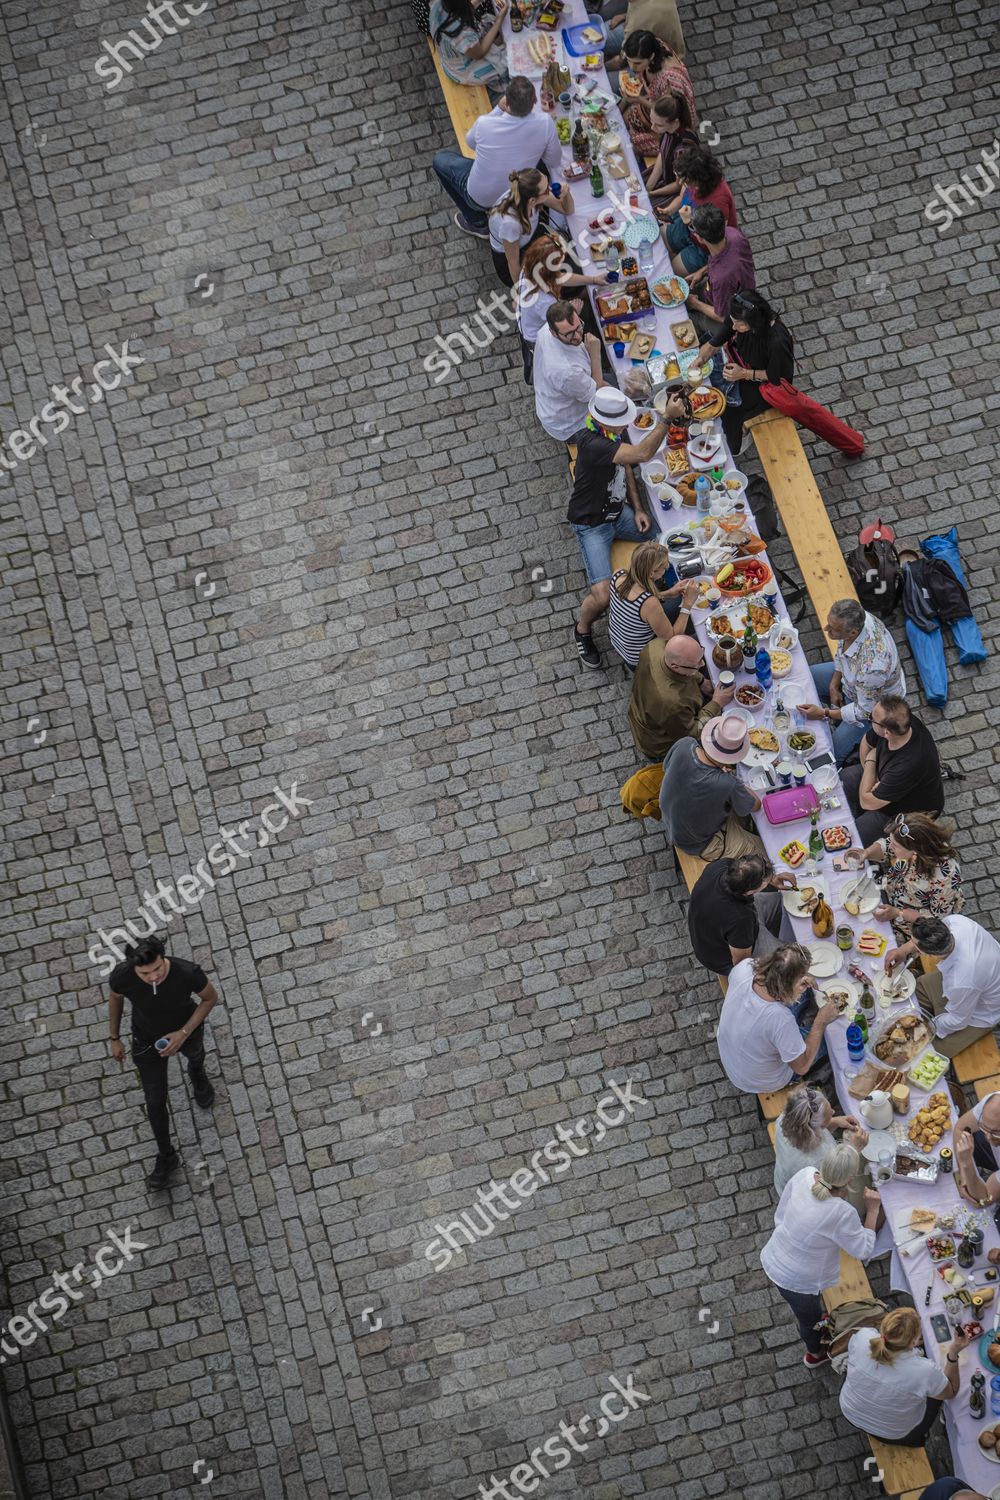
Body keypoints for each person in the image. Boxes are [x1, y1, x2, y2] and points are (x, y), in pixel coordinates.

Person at [567, 386, 689, 668]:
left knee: (665, 537)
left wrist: (638, 508)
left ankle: (667, 586)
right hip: (592, 525)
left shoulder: (608, 433)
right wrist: (667, 420)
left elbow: (626, 468)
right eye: (622, 419)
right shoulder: (593, 443)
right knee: (603, 594)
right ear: (605, 421)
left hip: (617, 514)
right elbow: (643, 453)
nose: (626, 423)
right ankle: (582, 629)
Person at [107, 936, 219, 1189]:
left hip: (186, 1031)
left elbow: (210, 999)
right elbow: (115, 998)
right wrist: (114, 1037)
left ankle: (197, 1074)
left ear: (163, 957)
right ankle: (166, 1156)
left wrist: (183, 1033)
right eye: (145, 973)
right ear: (134, 968)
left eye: (157, 969)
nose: (153, 977)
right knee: (154, 1101)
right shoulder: (123, 976)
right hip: (146, 1041)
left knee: (195, 1055)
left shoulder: (187, 973)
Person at [760, 1144, 880, 1366]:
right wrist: (872, 1211)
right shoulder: (842, 1212)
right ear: (851, 1179)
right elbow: (863, 1249)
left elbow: (782, 1213)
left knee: (808, 1312)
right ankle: (814, 1354)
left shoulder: (804, 1175)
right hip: (797, 1280)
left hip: (775, 1253)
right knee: (808, 1318)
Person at [434, 77, 561, 240]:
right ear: (534, 101)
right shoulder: (545, 123)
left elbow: (470, 144)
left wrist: (497, 110)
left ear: (506, 101)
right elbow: (554, 161)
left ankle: (477, 222)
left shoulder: (484, 124)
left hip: (481, 198)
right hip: (520, 195)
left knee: (440, 159)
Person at [716, 944, 839, 1095]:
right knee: (833, 1036)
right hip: (761, 1080)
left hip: (735, 1055)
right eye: (802, 976)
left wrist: (796, 982)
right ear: (787, 985)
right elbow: (801, 1066)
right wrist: (820, 1023)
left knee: (806, 994)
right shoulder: (780, 1019)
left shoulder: (745, 968)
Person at [796, 599, 906, 763]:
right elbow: (842, 651)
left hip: (873, 708)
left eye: (833, 629)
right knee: (805, 677)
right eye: (829, 624)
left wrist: (824, 713)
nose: (826, 629)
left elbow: (864, 710)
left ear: (853, 633)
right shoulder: (861, 618)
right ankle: (834, 710)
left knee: (829, 753)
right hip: (853, 681)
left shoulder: (874, 668)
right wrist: (834, 685)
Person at [839, 1307, 968, 1445]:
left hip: (850, 1411)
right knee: (937, 1389)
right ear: (913, 1342)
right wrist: (953, 1352)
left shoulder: (864, 1336)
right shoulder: (925, 1371)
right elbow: (951, 1391)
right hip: (895, 1434)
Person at [885, 914, 1000, 1060]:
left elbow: (959, 1020)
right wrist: (903, 950)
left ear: (925, 954)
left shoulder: (962, 979)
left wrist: (927, 1028)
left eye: (914, 944)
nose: (911, 945)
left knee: (927, 1051)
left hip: (982, 1011)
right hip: (974, 981)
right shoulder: (955, 921)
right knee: (920, 985)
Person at [697, 288, 794, 453]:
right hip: (740, 366)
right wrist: (700, 359)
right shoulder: (739, 316)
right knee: (708, 386)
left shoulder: (776, 342)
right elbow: (718, 339)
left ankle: (733, 447)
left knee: (727, 406)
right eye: (733, 320)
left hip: (762, 385)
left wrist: (743, 374)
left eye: (738, 324)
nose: (733, 326)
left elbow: (778, 377)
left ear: (754, 322)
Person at [658, 714, 766, 859]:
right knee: (764, 853)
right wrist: (733, 780)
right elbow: (756, 805)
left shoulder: (685, 743)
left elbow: (667, 767)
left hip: (674, 820)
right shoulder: (727, 783)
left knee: (740, 815)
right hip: (699, 842)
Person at [842, 693, 944, 844]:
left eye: (871, 720)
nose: (870, 721)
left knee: (856, 835)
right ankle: (854, 813)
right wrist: (875, 778)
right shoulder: (901, 723)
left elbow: (867, 802)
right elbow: (866, 742)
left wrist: (871, 761)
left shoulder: (907, 766)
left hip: (903, 811)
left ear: (887, 733)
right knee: (846, 777)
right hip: (885, 783)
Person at [843, 814, 963, 943]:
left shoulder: (946, 878)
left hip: (910, 919)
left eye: (896, 846)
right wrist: (866, 853)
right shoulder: (910, 844)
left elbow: (936, 919)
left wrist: (897, 913)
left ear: (915, 850)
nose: (891, 847)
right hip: (889, 889)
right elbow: (887, 846)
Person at [688, 853, 798, 978]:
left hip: (712, 926)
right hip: (722, 957)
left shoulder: (721, 866)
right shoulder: (740, 918)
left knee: (788, 900)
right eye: (764, 884)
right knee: (794, 960)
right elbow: (741, 963)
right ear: (750, 892)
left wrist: (770, 878)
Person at [516, 236, 607, 384]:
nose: (562, 264)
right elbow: (560, 326)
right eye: (559, 263)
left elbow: (560, 277)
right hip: (541, 337)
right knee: (586, 327)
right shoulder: (544, 301)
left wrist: (593, 280)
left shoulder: (530, 269)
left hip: (538, 322)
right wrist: (573, 312)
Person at [628, 634, 732, 758]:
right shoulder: (672, 702)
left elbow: (682, 662)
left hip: (646, 706)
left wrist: (701, 681)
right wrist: (717, 703)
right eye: (696, 664)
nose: (703, 664)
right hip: (659, 741)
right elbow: (692, 733)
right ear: (675, 667)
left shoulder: (655, 645)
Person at [773, 1086, 868, 1207]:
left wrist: (833, 1121)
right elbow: (836, 1178)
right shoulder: (816, 1161)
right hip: (808, 1196)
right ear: (813, 1130)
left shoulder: (784, 1119)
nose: (834, 1112)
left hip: (782, 1177)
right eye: (825, 1121)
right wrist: (854, 1148)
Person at [608, 541, 697, 670]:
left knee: (675, 603)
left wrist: (668, 593)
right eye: (664, 568)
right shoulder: (650, 604)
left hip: (618, 640)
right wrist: (687, 604)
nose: (666, 570)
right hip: (638, 659)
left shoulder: (619, 575)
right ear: (651, 574)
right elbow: (671, 638)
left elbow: (636, 598)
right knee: (693, 642)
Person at [532, 300, 603, 443]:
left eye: (578, 327)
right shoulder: (567, 371)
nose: (577, 337)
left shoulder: (549, 327)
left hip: (555, 396)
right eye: (569, 334)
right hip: (571, 424)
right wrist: (596, 355)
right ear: (553, 333)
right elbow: (597, 393)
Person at [662, 152, 740, 280]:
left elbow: (714, 240)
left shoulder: (718, 202)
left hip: (704, 247)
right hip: (689, 227)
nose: (680, 183)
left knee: (671, 271)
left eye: (685, 180)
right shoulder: (697, 182)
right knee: (659, 238)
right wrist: (670, 210)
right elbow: (683, 196)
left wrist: (689, 223)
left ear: (699, 179)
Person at [489, 169, 573, 287]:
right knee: (559, 281)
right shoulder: (510, 224)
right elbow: (513, 264)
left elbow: (567, 210)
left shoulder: (528, 194)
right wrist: (522, 292)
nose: (549, 190)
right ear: (533, 200)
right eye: (545, 190)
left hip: (532, 238)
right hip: (518, 256)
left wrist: (566, 194)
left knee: (571, 263)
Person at [618, 32, 697, 157]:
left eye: (637, 63)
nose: (632, 67)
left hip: (670, 123)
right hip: (654, 106)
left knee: (630, 143)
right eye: (629, 61)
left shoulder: (669, 80)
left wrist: (638, 99)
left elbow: (667, 111)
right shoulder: (653, 47)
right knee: (619, 122)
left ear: (651, 56)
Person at [429, 0, 509, 97]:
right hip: (462, 70)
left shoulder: (440, 4)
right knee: (507, 64)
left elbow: (463, 8)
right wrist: (499, 21)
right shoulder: (461, 33)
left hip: (453, 56)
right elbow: (480, 53)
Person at [642, 93, 697, 206]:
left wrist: (653, 193)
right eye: (652, 122)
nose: (653, 128)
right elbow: (663, 155)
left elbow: (679, 185)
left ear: (675, 122)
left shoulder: (684, 148)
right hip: (664, 176)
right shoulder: (668, 131)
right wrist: (648, 186)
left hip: (675, 190)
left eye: (658, 125)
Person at [602, 0, 685, 70]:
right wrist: (625, 15)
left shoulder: (637, 24)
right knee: (599, 35)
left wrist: (603, 67)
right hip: (646, 31)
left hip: (660, 61)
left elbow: (621, 60)